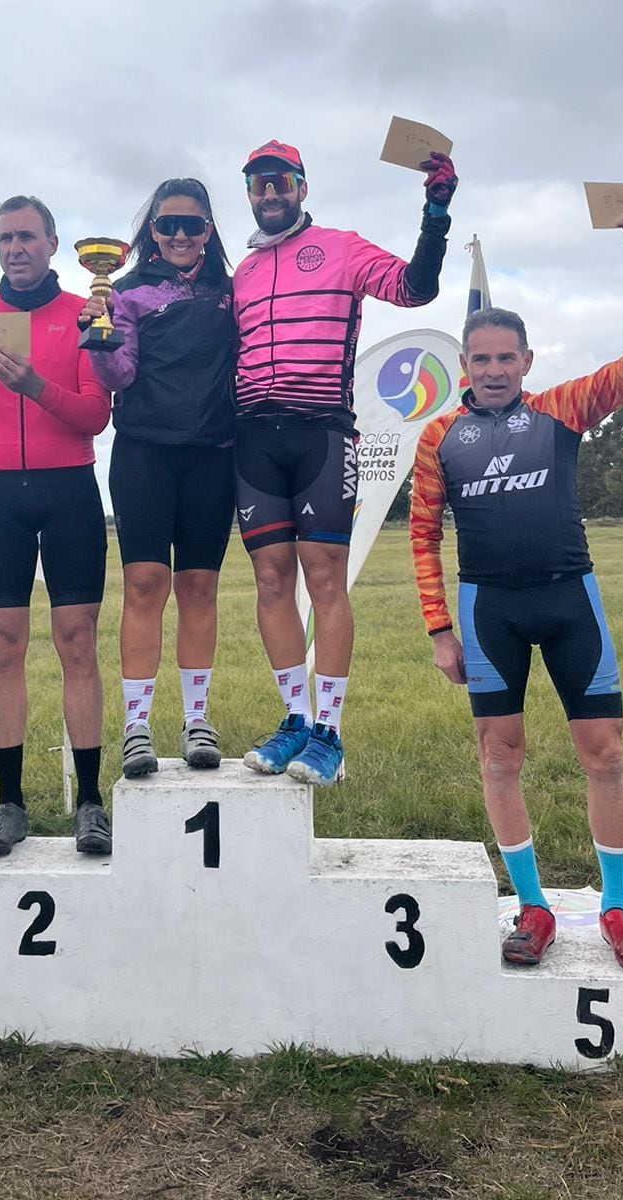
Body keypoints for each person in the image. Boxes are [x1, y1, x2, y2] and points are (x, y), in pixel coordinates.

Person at [410, 219, 623, 972]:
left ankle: (617, 910)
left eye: (506, 358)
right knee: (500, 756)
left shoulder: (560, 409)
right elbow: (423, 537)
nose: (494, 369)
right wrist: (438, 629)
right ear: (465, 363)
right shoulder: (439, 436)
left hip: (568, 602)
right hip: (489, 611)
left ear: (527, 360)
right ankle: (531, 905)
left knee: (605, 753)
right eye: (481, 358)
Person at [234, 139, 457, 786]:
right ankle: (294, 722)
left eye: (281, 182)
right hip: (253, 438)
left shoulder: (341, 246)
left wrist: (435, 213)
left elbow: (416, 289)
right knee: (272, 581)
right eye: (259, 184)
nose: (270, 193)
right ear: (250, 194)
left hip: (322, 433)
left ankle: (329, 734)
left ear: (302, 188)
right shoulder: (241, 273)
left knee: (324, 577)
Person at [0, 195, 113, 855]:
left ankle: (91, 802)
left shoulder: (84, 314)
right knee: (2, 647)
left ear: (51, 244)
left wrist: (36, 385)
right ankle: (9, 803)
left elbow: (97, 415)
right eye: (4, 238)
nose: (15, 248)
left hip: (68, 486)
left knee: (77, 642)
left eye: (26, 237)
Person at [82, 178, 236, 779]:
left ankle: (197, 718)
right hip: (145, 452)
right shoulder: (125, 291)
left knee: (199, 588)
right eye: (166, 224)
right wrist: (97, 339)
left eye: (191, 224)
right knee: (146, 584)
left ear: (208, 230)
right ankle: (137, 727)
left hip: (214, 455)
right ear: (151, 231)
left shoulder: (231, 291)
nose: (178, 234)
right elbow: (119, 376)